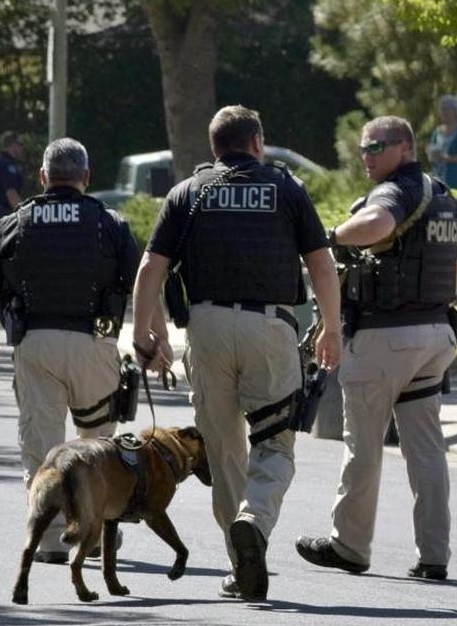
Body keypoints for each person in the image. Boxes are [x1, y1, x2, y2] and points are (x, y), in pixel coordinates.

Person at [131, 105, 342, 602]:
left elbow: (149, 270)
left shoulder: (188, 191)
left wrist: (146, 337)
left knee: (224, 452)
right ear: (258, 143)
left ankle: (239, 563)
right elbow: (322, 266)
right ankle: (255, 520)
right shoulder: (286, 189)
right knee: (275, 442)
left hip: (204, 329)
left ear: (214, 148)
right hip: (269, 327)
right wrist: (331, 328)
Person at [295, 115, 457, 582]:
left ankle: (349, 545)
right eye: (363, 148)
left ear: (405, 148)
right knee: (426, 449)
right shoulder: (443, 198)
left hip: (386, 337)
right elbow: (455, 271)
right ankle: (434, 554)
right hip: (433, 336)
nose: (366, 156)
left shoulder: (397, 191)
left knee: (362, 447)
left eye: (376, 147)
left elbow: (377, 222)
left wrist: (328, 237)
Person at [0, 138, 146, 564]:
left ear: (44, 177)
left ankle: (50, 540)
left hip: (36, 346)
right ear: (87, 178)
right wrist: (148, 337)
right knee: (97, 445)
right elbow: (143, 282)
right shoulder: (111, 223)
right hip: (95, 344)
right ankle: (98, 534)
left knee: (43, 446)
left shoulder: (18, 220)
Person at [425, 95, 457, 189]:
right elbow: (432, 152)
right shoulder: (437, 132)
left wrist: (447, 159)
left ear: (455, 111)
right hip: (439, 182)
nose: (444, 113)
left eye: (447, 109)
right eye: (442, 110)